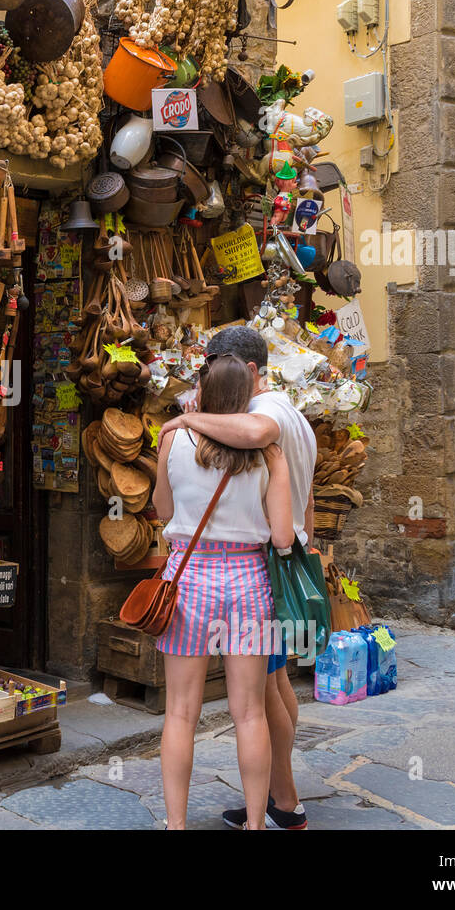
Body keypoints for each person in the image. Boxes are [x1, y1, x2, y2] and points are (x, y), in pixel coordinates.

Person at [160, 325, 318, 830]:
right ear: (246, 387)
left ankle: (176, 826)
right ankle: (258, 821)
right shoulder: (270, 448)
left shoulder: (179, 437)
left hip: (189, 578)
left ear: (203, 394)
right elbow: (283, 536)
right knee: (250, 711)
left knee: (180, 713)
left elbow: (161, 509)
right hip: (249, 579)